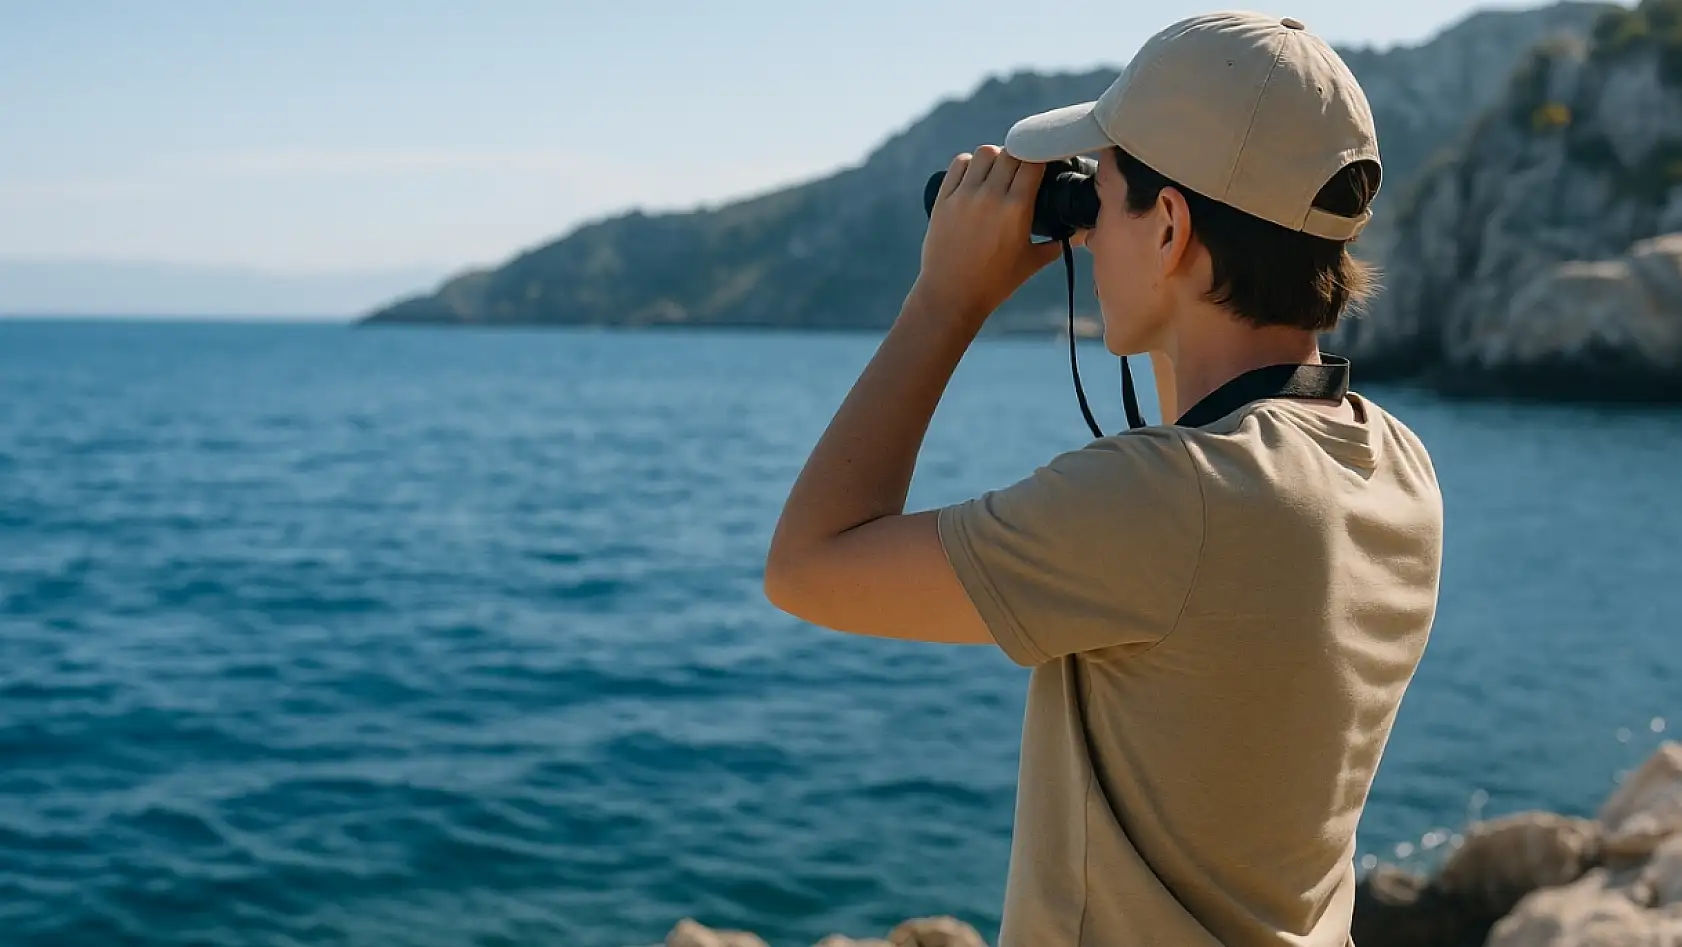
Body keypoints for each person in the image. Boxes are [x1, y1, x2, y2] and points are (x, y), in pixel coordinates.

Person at [763, 10, 1443, 947]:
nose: (1083, 234)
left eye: (1102, 196)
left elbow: (806, 565)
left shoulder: (1168, 502)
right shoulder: (1394, 466)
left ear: (1169, 227)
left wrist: (947, 300)